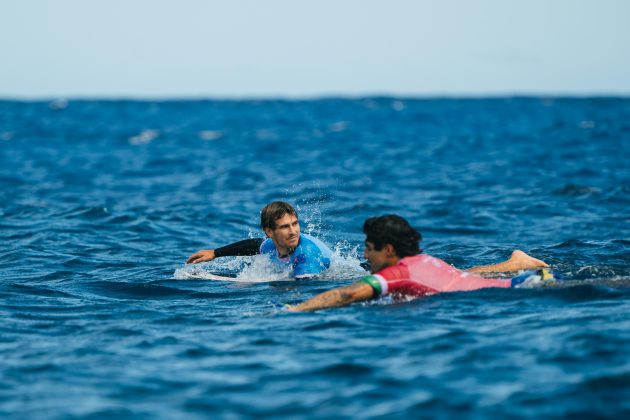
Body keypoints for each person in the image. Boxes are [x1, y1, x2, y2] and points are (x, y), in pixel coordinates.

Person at [289, 215, 554, 312]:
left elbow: (348, 293)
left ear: (389, 249)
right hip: (528, 283)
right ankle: (516, 262)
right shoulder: (424, 260)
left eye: (369, 250)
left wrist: (295, 310)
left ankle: (517, 262)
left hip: (522, 293)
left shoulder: (397, 273)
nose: (366, 256)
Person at [187, 201, 332, 278]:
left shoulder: (306, 255)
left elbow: (306, 290)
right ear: (269, 232)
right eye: (285, 227)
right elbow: (253, 245)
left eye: (295, 224)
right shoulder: (273, 244)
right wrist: (215, 253)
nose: (293, 232)